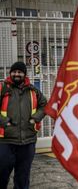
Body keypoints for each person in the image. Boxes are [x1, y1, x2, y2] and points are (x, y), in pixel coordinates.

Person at [0, 61, 47, 189]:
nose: (16, 74)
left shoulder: (33, 90)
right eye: (14, 72)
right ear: (10, 73)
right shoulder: (2, 88)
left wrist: (35, 118)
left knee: (23, 176)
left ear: (24, 74)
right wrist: (4, 122)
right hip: (5, 140)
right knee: (2, 174)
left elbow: (44, 106)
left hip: (28, 140)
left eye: (19, 72)